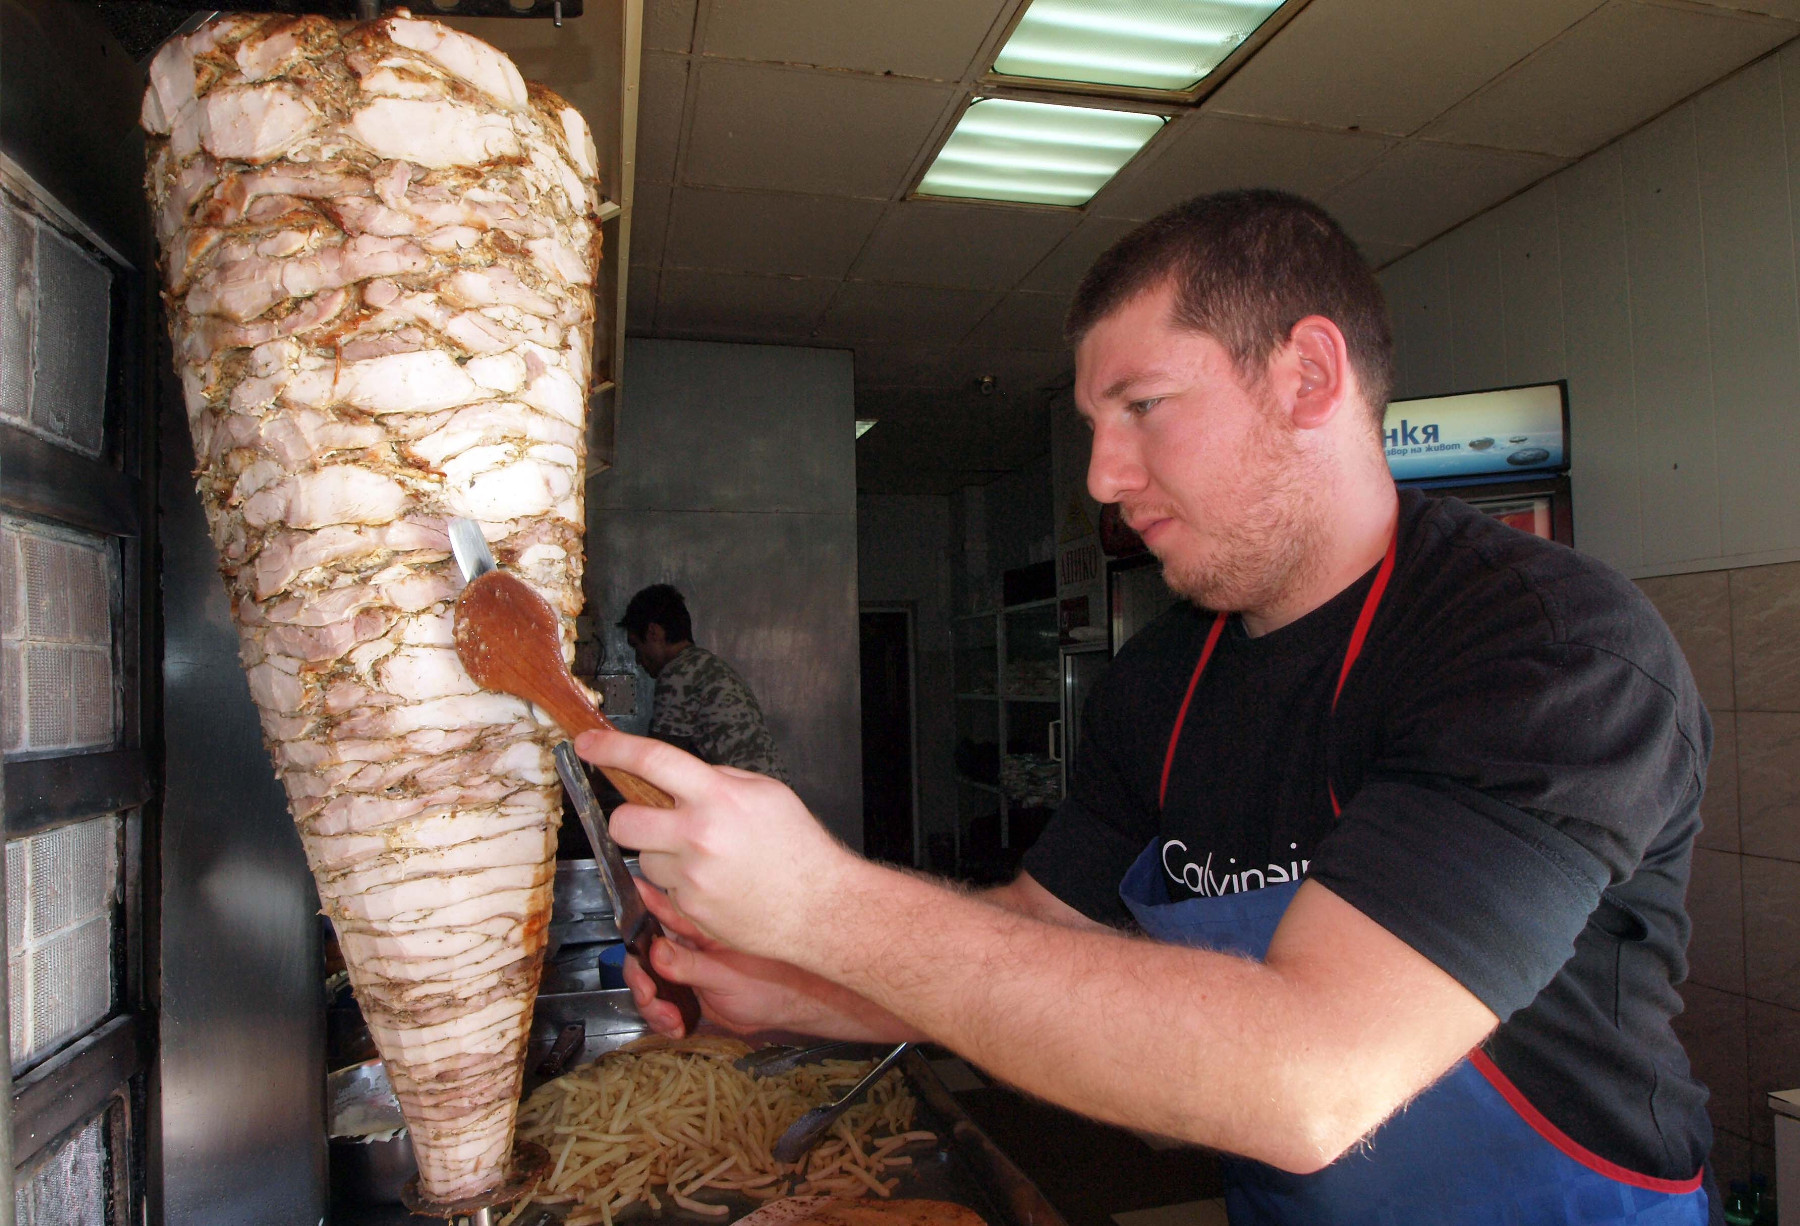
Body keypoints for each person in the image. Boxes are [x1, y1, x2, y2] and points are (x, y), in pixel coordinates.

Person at [578, 191, 1716, 1225]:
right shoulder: (1166, 675)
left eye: (1143, 406)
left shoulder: (1541, 652)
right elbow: (1041, 938)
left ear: (1307, 376)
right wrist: (790, 984)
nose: (1102, 476)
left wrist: (824, 903)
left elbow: (1310, 1072)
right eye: (1093, 423)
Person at [617, 583, 789, 782]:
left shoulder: (678, 673)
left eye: (636, 646)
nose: (638, 660)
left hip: (749, 803)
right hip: (772, 796)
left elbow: (659, 762)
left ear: (654, 633)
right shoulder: (706, 665)